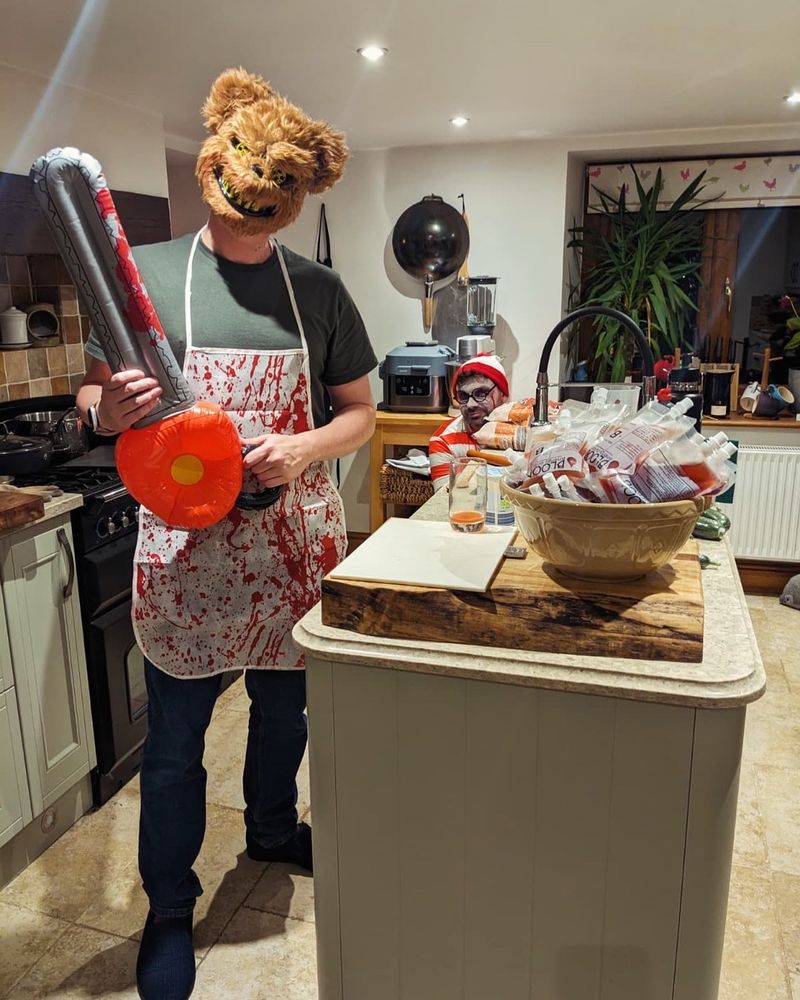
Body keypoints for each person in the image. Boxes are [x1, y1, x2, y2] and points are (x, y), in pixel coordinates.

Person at [75, 69, 377, 1000]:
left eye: (275, 185)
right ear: (217, 157)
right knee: (173, 747)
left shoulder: (320, 290)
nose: (254, 194)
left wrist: (303, 449)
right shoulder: (147, 278)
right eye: (243, 170)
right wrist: (107, 409)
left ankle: (273, 828)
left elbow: (359, 411)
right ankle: (169, 907)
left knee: (287, 716)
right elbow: (90, 398)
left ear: (301, 193)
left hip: (289, 545)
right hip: (184, 559)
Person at [428, 355, 509, 490]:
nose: (470, 405)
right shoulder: (443, 441)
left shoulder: (522, 429)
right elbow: (444, 498)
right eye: (463, 396)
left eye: (481, 393)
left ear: (503, 394)